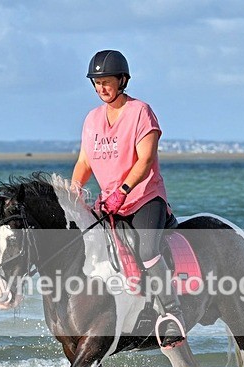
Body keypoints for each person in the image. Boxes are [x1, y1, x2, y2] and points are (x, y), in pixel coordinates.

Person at [71, 49, 185, 348]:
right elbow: (84, 163)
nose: (101, 89)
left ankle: (172, 314)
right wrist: (74, 189)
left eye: (106, 82)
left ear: (122, 80)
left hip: (144, 198)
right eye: (96, 83)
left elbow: (145, 160)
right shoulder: (92, 120)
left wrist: (123, 191)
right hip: (108, 202)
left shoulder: (140, 112)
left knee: (147, 249)